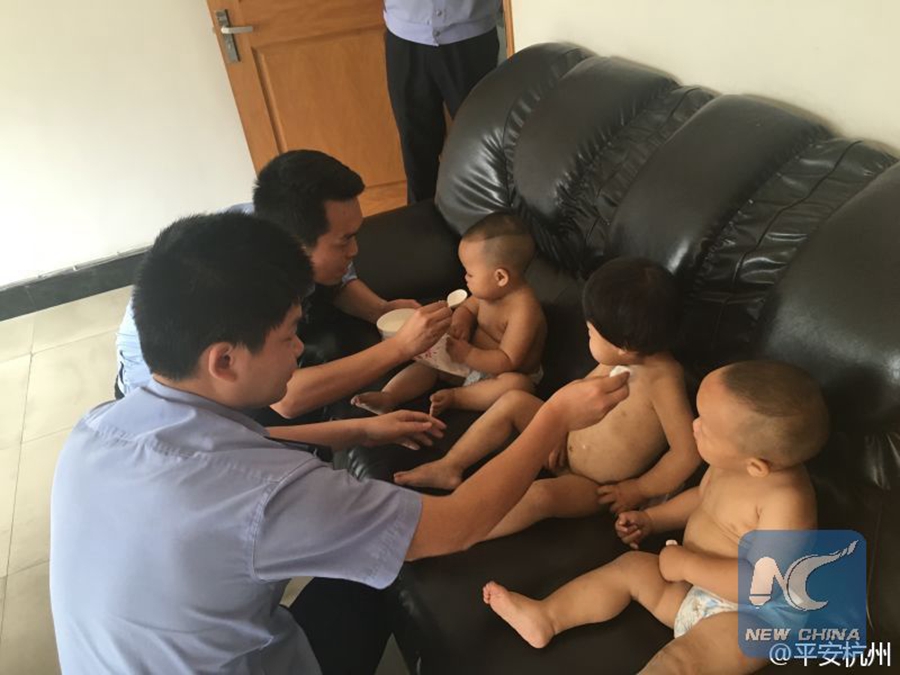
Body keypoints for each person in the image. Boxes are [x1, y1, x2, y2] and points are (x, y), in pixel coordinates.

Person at [51, 212, 631, 675]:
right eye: (288, 336)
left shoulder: (96, 429)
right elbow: (456, 527)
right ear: (224, 360)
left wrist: (361, 429)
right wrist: (554, 417)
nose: (299, 349)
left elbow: (231, 450)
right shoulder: (271, 495)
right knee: (381, 577)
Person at [482, 360, 829, 675]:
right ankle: (547, 616)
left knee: (683, 659)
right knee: (630, 568)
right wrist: (653, 519)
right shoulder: (730, 462)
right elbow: (704, 499)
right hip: (695, 589)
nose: (694, 426)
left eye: (706, 427)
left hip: (752, 617)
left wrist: (687, 565)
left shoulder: (786, 502)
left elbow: (760, 586)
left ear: (756, 466)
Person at [114, 150, 443, 424]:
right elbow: (288, 399)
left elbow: (340, 282)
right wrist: (400, 347)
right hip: (169, 405)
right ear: (297, 245)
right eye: (344, 241)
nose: (354, 250)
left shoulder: (275, 221)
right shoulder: (243, 280)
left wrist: (381, 311)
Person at [394, 258, 699, 538]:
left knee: (541, 496)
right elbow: (581, 386)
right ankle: (450, 465)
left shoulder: (664, 381)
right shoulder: (616, 359)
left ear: (624, 347)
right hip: (560, 442)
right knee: (513, 400)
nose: (587, 334)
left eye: (591, 332)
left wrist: (638, 489)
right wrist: (558, 428)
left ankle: (467, 533)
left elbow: (686, 454)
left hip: (592, 485)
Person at [352, 212, 546, 416]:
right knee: (432, 364)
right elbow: (467, 308)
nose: (465, 277)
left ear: (500, 277)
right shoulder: (489, 292)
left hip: (502, 373)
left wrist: (468, 355)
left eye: (470, 273)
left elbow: (507, 360)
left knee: (517, 386)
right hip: (469, 360)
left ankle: (457, 397)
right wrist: (461, 322)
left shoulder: (523, 311)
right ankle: (389, 396)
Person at [384, 0, 501, 203]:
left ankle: (485, 219)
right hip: (405, 34)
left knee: (481, 147)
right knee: (416, 153)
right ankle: (421, 218)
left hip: (472, 34)